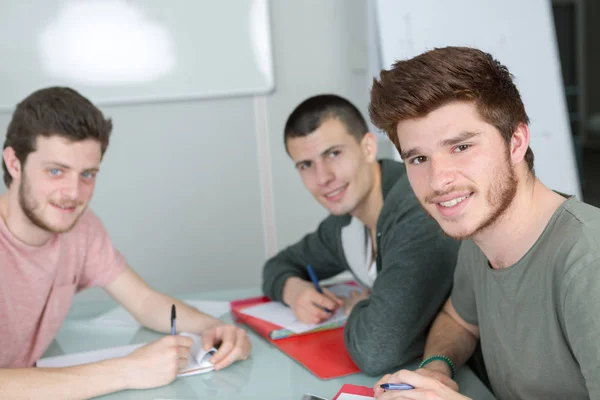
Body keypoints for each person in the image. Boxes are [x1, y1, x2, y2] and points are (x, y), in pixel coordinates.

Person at [369, 46, 600, 399]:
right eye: (418, 158)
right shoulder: (479, 235)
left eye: (461, 147)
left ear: (516, 142)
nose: (437, 180)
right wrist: (436, 369)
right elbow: (459, 320)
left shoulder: (588, 261)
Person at [0, 87, 251, 399]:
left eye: (87, 175)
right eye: (55, 171)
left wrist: (213, 328)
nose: (73, 193)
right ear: (14, 163)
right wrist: (129, 370)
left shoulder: (80, 228)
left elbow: (144, 302)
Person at [262, 94, 459, 375]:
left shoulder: (418, 210)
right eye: (306, 165)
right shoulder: (343, 224)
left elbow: (377, 349)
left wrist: (356, 307)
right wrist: (294, 291)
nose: (323, 178)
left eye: (333, 154)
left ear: (367, 147)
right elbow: (277, 266)